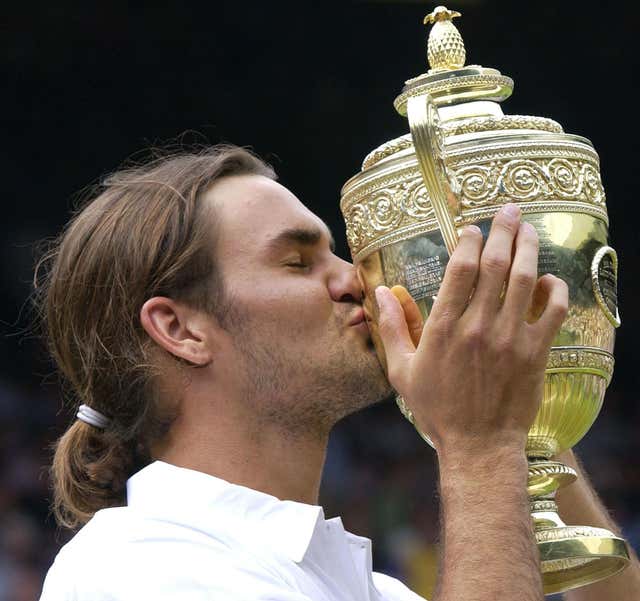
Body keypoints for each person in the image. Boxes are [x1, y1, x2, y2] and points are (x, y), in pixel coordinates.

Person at [37, 146, 639, 600]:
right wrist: (481, 444)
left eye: (337, 252)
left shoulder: (374, 590)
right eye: (299, 262)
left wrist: (527, 416)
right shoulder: (132, 570)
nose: (355, 278)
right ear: (182, 329)